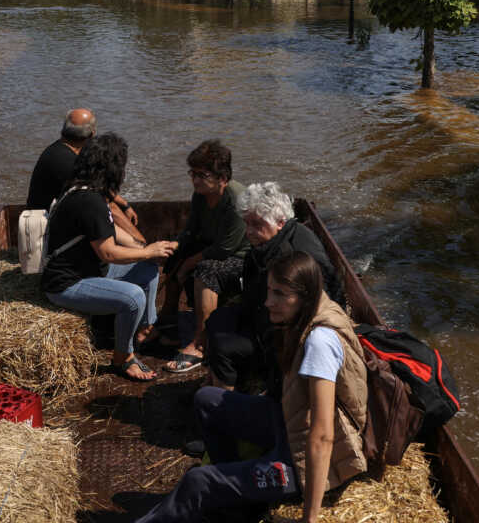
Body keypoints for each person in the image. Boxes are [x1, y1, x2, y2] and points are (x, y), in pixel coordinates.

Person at [135, 250, 369, 523]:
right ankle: (234, 499)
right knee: (208, 400)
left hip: (301, 465)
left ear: (304, 295)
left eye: (280, 294)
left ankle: (219, 491)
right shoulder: (316, 307)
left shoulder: (319, 342)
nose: (268, 302)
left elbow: (322, 437)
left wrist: (309, 519)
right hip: (289, 426)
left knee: (198, 480)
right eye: (269, 291)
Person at [41, 133, 177, 382]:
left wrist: (142, 248)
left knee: (147, 267)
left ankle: (147, 329)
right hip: (66, 284)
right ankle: (122, 358)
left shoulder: (81, 188)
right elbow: (108, 252)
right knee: (133, 297)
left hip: (91, 271)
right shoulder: (88, 200)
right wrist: (149, 250)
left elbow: (108, 230)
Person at [203, 182, 345, 392]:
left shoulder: (294, 256)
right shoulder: (267, 244)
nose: (249, 232)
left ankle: (223, 401)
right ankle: (216, 380)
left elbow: (314, 309)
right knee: (216, 320)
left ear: (280, 222)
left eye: (256, 224)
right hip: (264, 315)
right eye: (247, 223)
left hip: (282, 337)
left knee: (223, 346)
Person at [160, 140, 249, 374]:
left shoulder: (236, 200)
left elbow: (225, 249)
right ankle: (167, 322)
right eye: (193, 173)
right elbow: (191, 229)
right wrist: (175, 246)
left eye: (202, 174)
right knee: (174, 256)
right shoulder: (200, 195)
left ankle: (200, 343)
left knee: (205, 270)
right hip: (214, 247)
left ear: (222, 178)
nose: (195, 180)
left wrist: (189, 263)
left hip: (241, 257)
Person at [26, 108, 144, 243]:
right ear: (92, 135)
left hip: (52, 217)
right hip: (45, 232)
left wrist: (124, 204)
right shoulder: (68, 164)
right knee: (105, 209)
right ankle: (140, 248)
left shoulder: (62, 149)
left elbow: (97, 185)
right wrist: (144, 246)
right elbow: (105, 204)